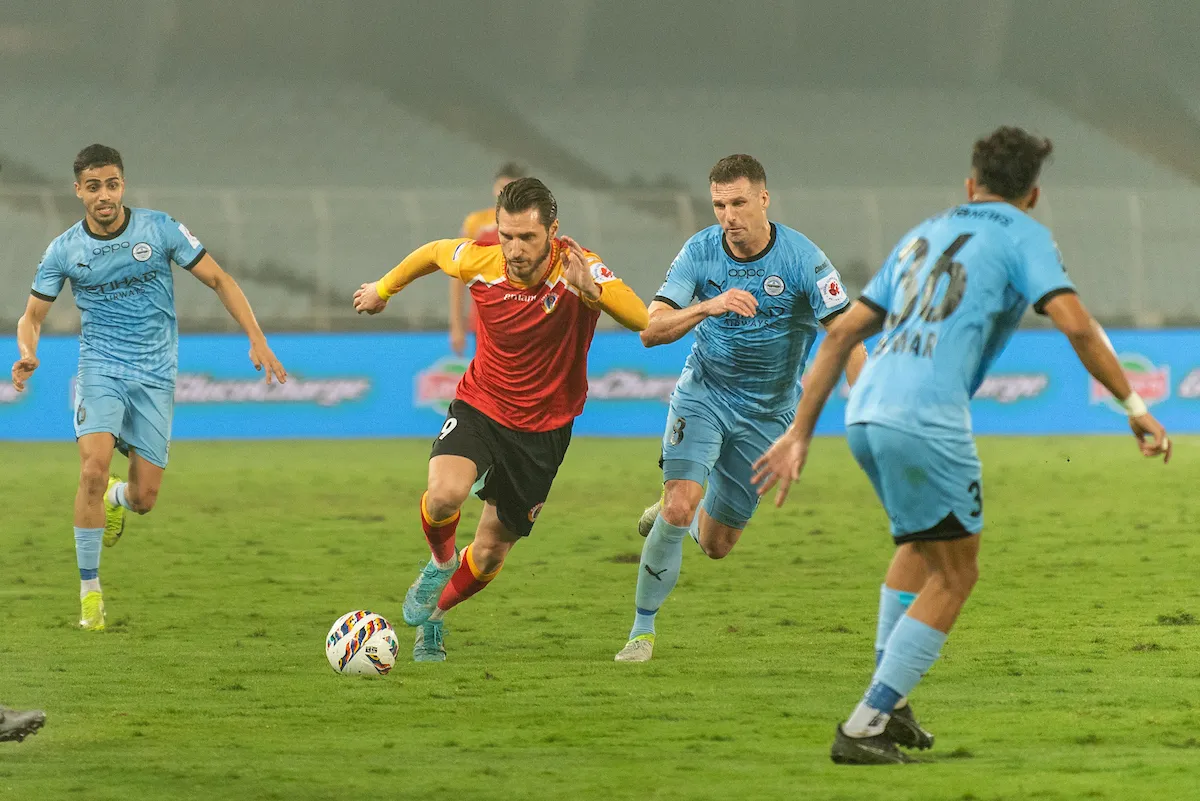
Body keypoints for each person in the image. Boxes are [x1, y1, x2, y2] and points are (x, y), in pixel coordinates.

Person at [752, 126, 1172, 765]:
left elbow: (838, 339)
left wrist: (800, 433)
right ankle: (864, 723)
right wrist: (1135, 406)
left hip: (867, 411)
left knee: (921, 549)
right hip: (925, 416)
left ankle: (888, 708)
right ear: (1032, 195)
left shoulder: (925, 232)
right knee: (958, 571)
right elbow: (1078, 327)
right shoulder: (1024, 235)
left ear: (970, 184)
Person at [353, 177, 649, 662]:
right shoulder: (481, 260)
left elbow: (642, 319)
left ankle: (434, 619)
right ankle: (441, 562)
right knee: (445, 493)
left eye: (527, 237)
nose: (514, 248)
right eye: (506, 235)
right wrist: (384, 289)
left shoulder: (580, 266)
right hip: (482, 405)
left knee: (491, 550)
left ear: (553, 231)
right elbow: (431, 253)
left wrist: (592, 291)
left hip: (545, 430)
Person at [11, 144, 287, 632]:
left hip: (156, 375)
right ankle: (90, 595)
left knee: (144, 499)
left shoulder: (159, 229)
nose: (105, 195)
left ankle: (118, 499)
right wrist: (28, 351)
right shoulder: (64, 250)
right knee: (92, 469)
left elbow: (220, 280)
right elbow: (32, 316)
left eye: (112, 184)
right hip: (100, 369)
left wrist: (257, 338)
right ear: (78, 191)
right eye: (93, 186)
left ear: (122, 186)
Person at [613, 155, 867, 663]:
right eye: (719, 205)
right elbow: (650, 330)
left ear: (764, 200)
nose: (728, 215)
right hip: (704, 393)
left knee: (716, 544)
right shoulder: (699, 253)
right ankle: (642, 631)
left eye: (738, 203)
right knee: (681, 503)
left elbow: (847, 336)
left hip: (769, 416)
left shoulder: (803, 259)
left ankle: (673, 516)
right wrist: (709, 304)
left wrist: (866, 411)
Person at [448, 163, 525, 356]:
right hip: (485, 323)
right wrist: (457, 325)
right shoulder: (478, 224)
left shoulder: (534, 224)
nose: (505, 193)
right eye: (501, 187)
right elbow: (457, 274)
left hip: (525, 322)